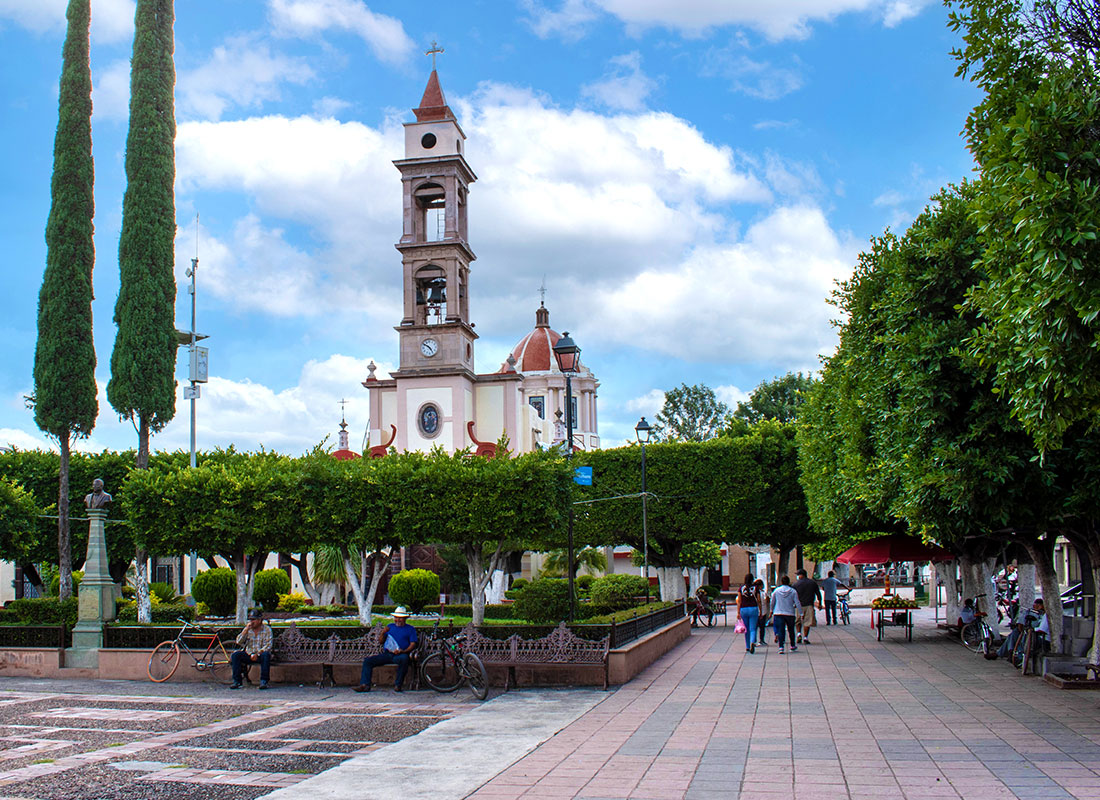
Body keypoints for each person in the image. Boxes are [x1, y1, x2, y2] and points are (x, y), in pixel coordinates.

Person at [355, 606, 419, 692]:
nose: (398, 620)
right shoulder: (390, 627)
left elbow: (413, 644)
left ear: (405, 619)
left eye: (400, 618)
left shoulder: (410, 629)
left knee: (404, 659)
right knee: (368, 661)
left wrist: (403, 651)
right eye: (396, 618)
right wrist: (383, 632)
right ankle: (365, 684)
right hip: (388, 654)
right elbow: (381, 641)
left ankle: (398, 684)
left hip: (401, 654)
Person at [230, 608, 273, 690]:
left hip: (260, 654)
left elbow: (268, 645)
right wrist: (245, 631)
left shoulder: (267, 629)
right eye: (250, 620)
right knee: (236, 655)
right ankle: (237, 681)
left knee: (266, 655)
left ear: (260, 620)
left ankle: (264, 681)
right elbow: (238, 641)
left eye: (254, 620)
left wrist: (257, 654)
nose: (251, 622)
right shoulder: (248, 629)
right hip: (249, 654)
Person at [771, 575, 801, 654]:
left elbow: (772, 601)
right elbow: (797, 602)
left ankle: (781, 647)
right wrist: (801, 613)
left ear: (781, 582)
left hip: (778, 612)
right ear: (788, 582)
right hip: (790, 613)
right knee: (791, 630)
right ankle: (792, 645)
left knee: (781, 630)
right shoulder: (793, 591)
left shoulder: (777, 591)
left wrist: (771, 610)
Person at [792, 569, 821, 644]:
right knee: (807, 622)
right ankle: (805, 637)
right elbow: (818, 594)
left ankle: (798, 634)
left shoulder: (795, 584)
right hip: (809, 605)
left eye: (798, 575)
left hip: (798, 605)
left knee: (798, 621)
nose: (797, 576)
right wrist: (820, 603)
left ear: (801, 575)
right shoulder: (812, 583)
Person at [735, 573, 760, 654]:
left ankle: (747, 646)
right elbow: (759, 600)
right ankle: (753, 641)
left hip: (743, 609)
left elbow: (739, 601)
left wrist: (738, 612)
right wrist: (761, 610)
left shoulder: (741, 588)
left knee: (746, 629)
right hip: (753, 608)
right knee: (753, 628)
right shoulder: (755, 588)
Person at [754, 579, 770, 646]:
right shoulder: (762, 593)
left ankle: (753, 640)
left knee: (754, 628)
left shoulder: (753, 593)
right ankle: (761, 640)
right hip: (762, 611)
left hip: (754, 612)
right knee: (762, 627)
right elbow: (766, 601)